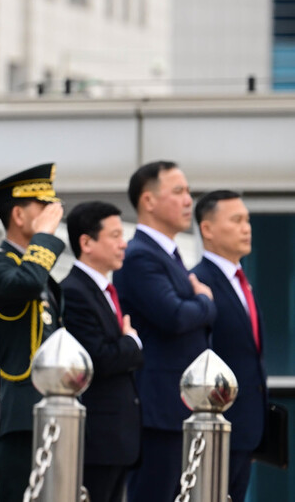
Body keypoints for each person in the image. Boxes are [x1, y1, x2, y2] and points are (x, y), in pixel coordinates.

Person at [113, 161, 216, 502]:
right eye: (178, 191)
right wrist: (205, 301)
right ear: (148, 201)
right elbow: (173, 316)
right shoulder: (140, 255)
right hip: (160, 409)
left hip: (178, 407)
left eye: (188, 191)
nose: (189, 200)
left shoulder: (169, 254)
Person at [0, 163, 65, 502]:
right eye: (43, 207)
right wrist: (44, 237)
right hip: (18, 412)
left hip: (50, 407)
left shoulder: (39, 269)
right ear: (18, 214)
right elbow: (24, 284)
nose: (54, 213)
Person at [61, 201, 142, 502]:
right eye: (115, 235)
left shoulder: (105, 290)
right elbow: (97, 358)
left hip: (118, 437)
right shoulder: (74, 291)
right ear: (87, 242)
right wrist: (132, 343)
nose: (124, 244)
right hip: (98, 436)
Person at [191, 190, 266, 502]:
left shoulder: (242, 279)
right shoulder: (197, 282)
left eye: (247, 220)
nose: (246, 227)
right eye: (236, 220)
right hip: (217, 426)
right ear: (207, 229)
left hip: (247, 427)